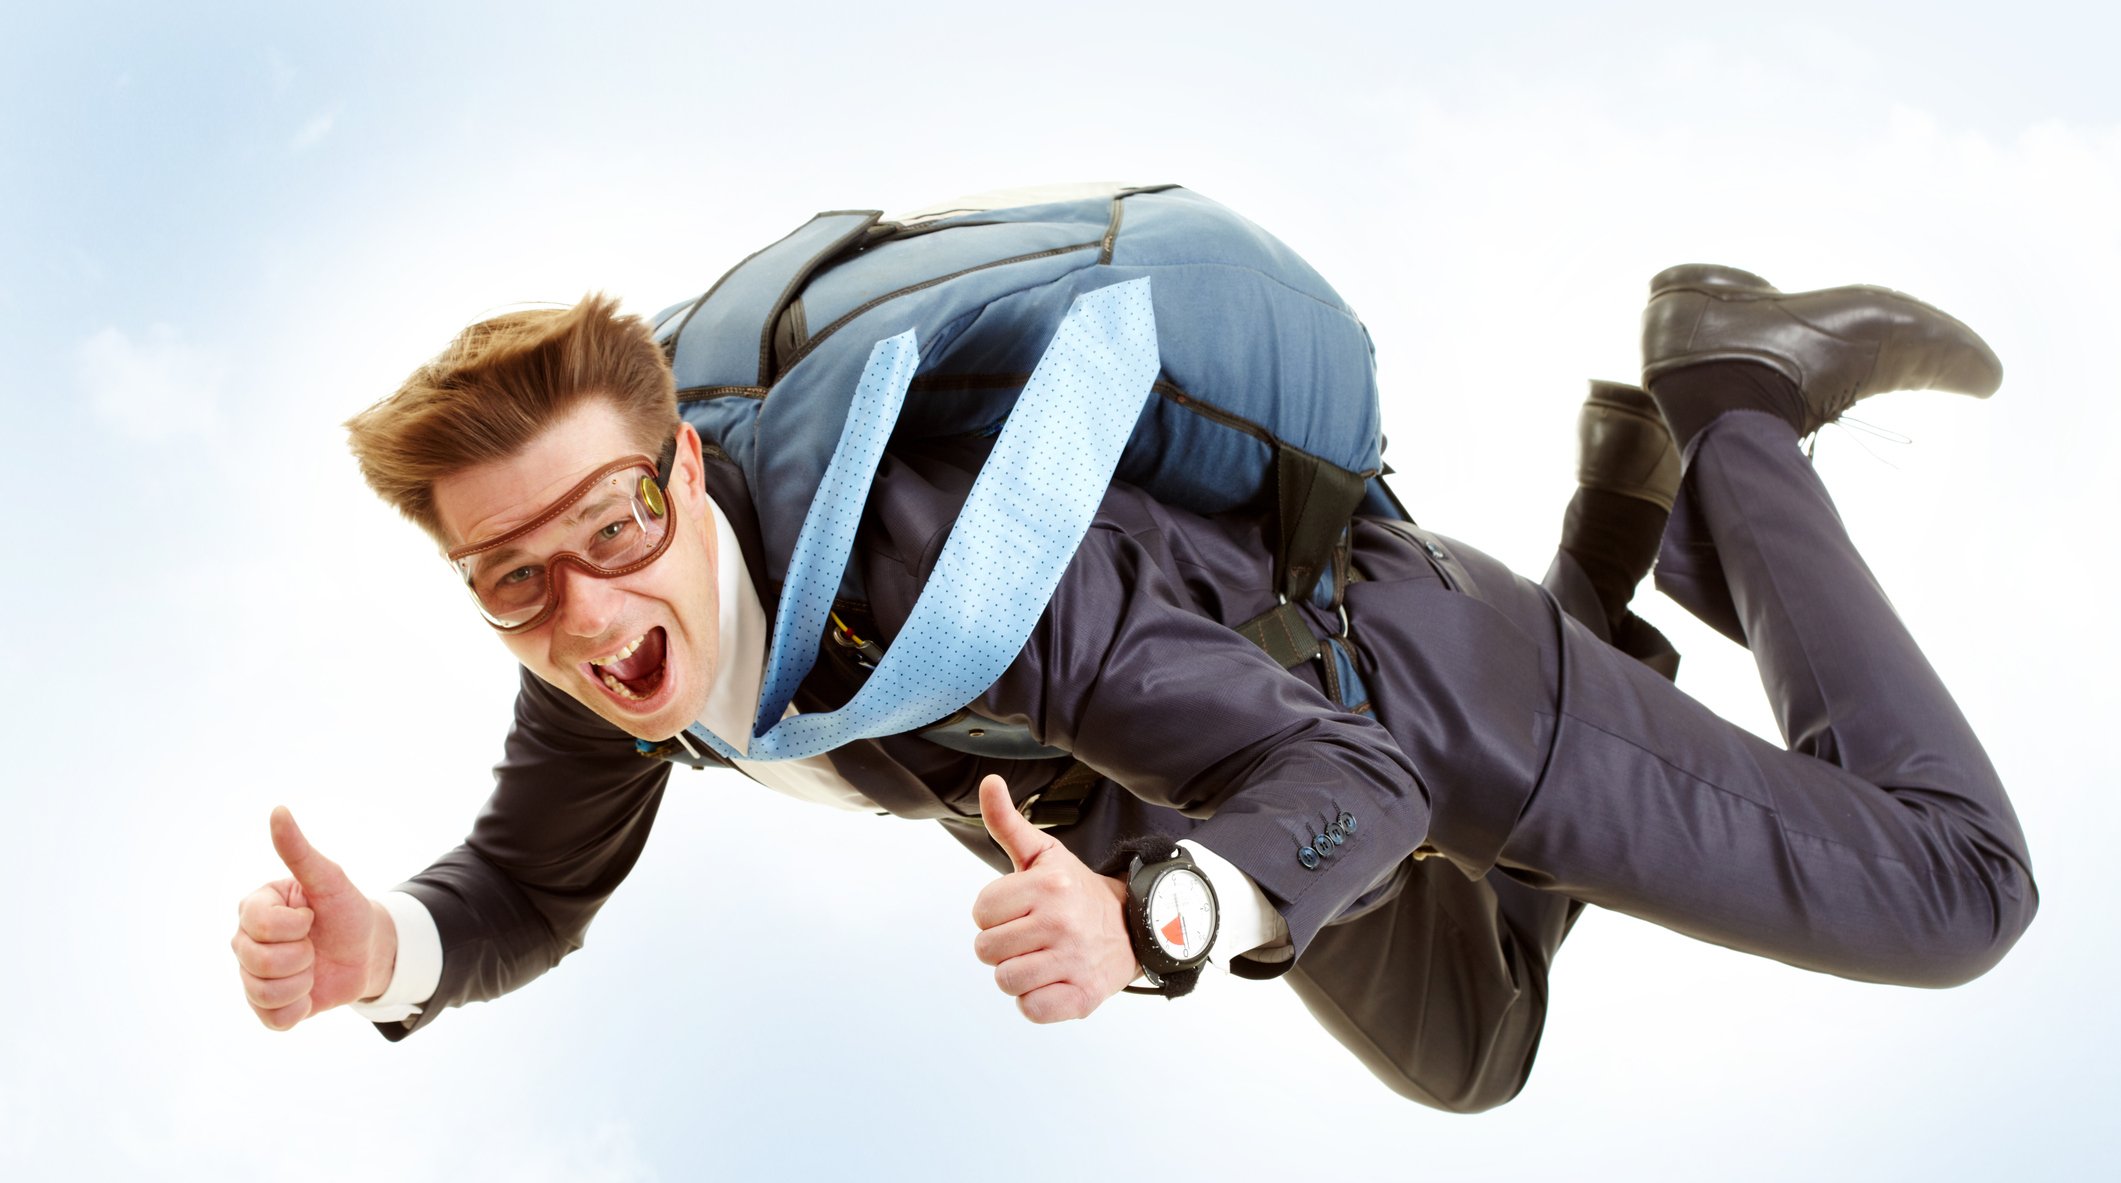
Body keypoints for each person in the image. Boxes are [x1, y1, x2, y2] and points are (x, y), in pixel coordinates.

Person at [228, 259, 2038, 1113]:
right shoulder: (604, 641)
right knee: (1472, 1048)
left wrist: (1154, 917)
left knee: (1952, 890)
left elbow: (1368, 784)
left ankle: (1733, 407)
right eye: (509, 578)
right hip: (1225, 770)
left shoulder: (952, 563)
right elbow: (532, 879)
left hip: (1402, 687)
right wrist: (381, 948)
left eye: (608, 521)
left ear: (688, 471)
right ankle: (1627, 506)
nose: (575, 602)